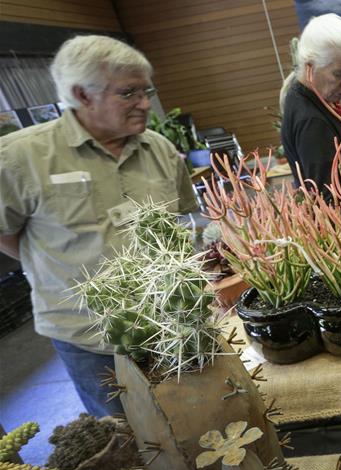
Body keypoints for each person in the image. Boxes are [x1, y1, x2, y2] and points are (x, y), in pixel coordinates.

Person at [0, 35, 197, 417]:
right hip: (91, 338)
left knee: (197, 419)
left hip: (173, 323)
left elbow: (181, 217)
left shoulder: (158, 148)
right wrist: (59, 268)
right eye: (128, 93)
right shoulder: (20, 158)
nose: (144, 103)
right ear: (82, 95)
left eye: (146, 90)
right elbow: (7, 234)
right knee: (127, 441)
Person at [280, 13, 341, 190]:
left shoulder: (303, 97)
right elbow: (329, 198)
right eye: (339, 74)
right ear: (310, 67)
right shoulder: (312, 121)